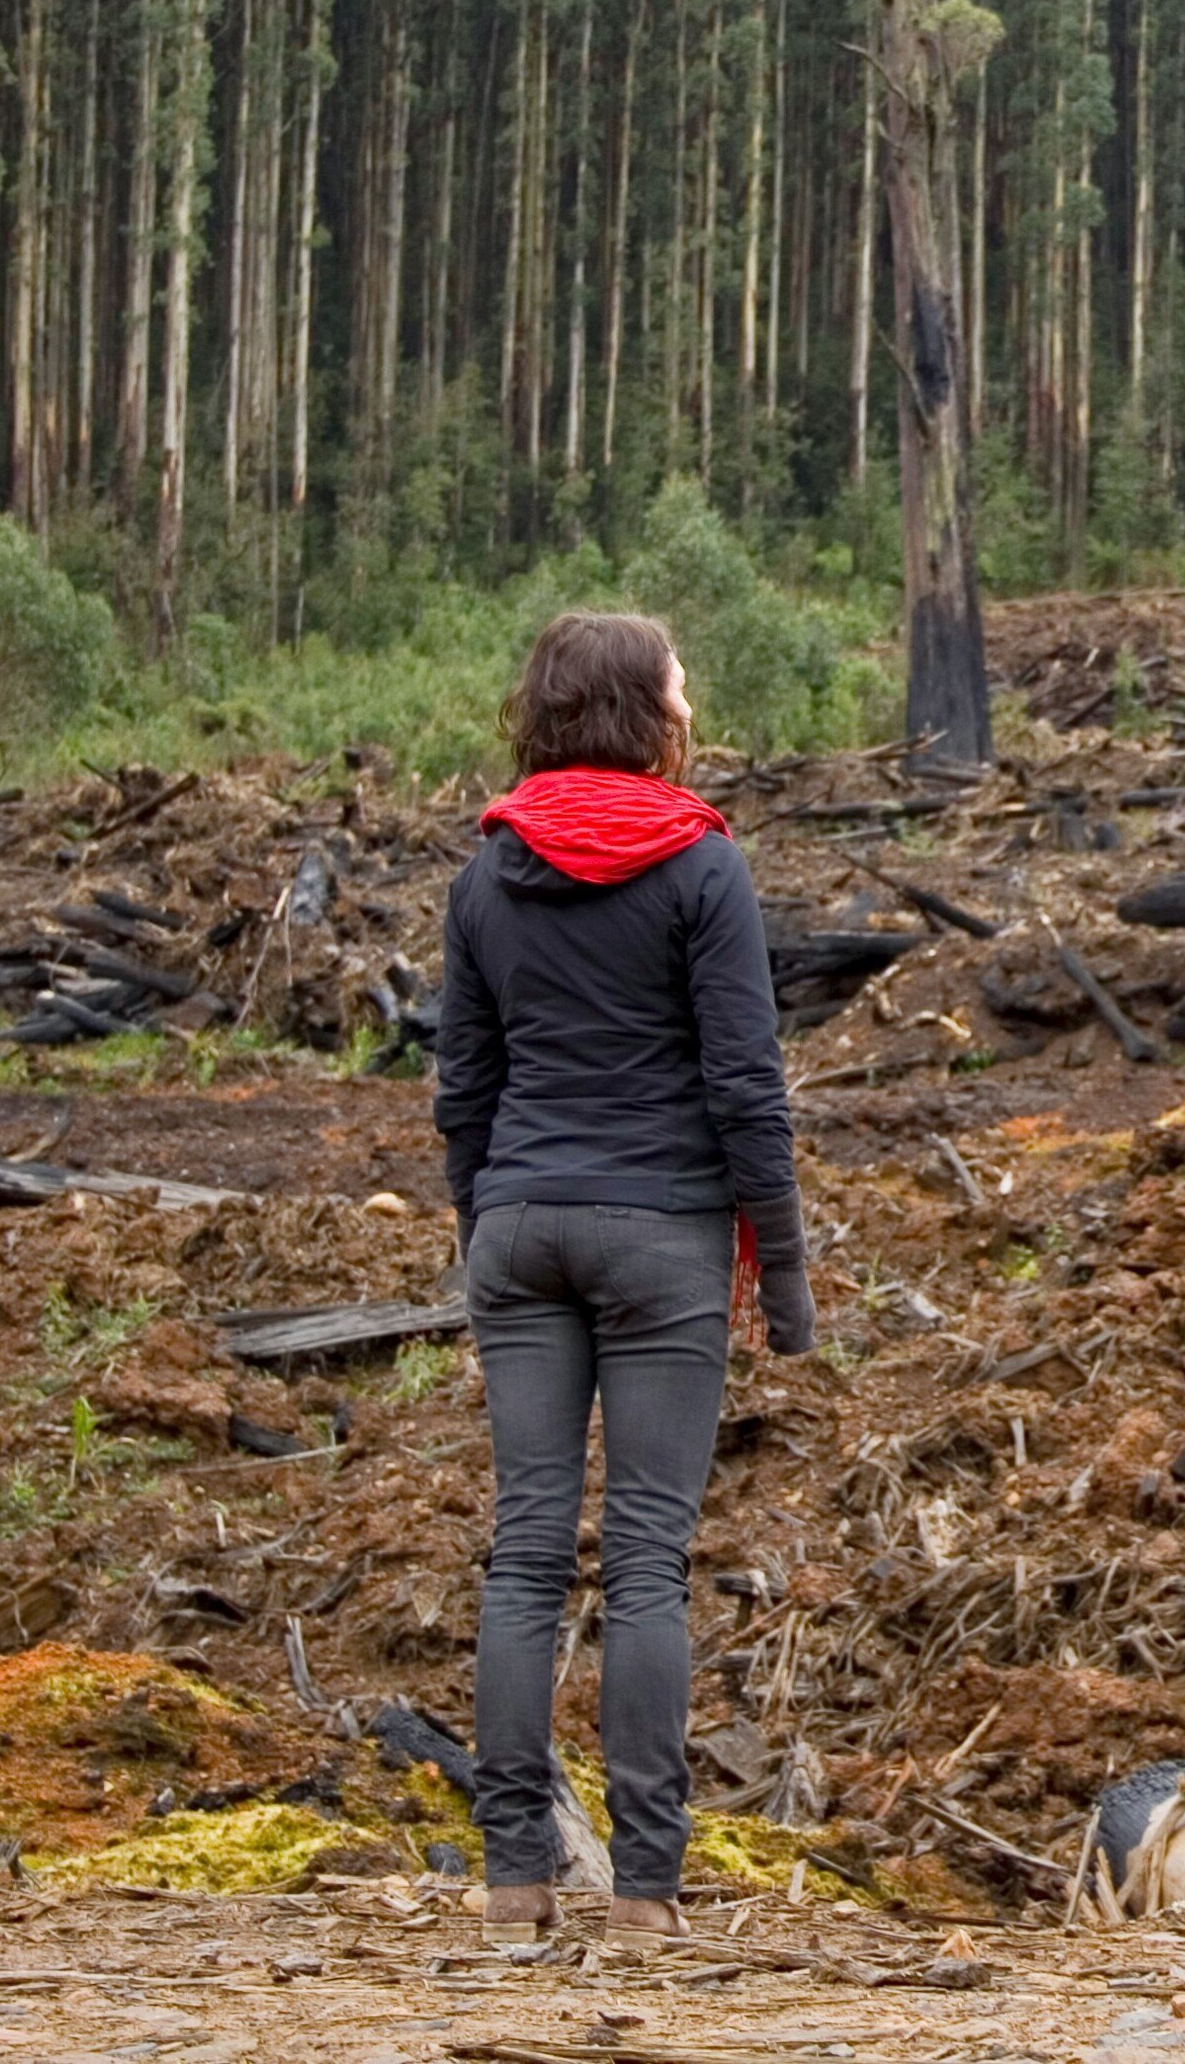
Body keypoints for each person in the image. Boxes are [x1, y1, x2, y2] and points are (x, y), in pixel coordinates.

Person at [433, 611, 815, 1953]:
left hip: (523, 1225)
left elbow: (462, 1090)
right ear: (638, 708)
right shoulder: (702, 866)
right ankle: (648, 1888)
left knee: (527, 1551)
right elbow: (744, 1087)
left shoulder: (487, 873)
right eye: (677, 679)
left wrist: (494, 1226)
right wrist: (787, 1274)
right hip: (665, 1239)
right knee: (647, 1560)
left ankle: (515, 1880)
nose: (691, 693)